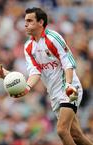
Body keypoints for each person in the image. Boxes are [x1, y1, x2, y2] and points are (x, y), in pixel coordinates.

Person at [11, 7, 93, 145]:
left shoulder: (53, 38)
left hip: (69, 87)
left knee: (61, 130)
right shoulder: (28, 47)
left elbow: (68, 62)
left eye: (30, 21)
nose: (25, 24)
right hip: (54, 94)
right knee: (76, 135)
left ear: (41, 22)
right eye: (25, 21)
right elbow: (35, 72)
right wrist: (27, 87)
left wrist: (68, 85)